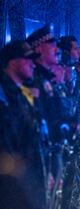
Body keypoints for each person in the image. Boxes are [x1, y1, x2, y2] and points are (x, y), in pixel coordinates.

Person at [0, 40, 45, 208]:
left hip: (24, 183)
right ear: (13, 62)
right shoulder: (4, 97)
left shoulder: (19, 95)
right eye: (28, 59)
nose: (33, 65)